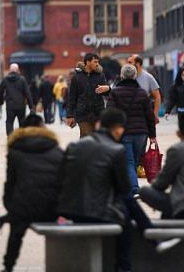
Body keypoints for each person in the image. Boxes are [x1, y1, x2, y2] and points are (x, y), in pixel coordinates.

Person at [57, 109, 172, 271]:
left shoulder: (74, 146)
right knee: (127, 207)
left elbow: (62, 178)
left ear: (98, 125)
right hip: (95, 213)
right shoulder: (116, 151)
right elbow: (124, 189)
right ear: (118, 129)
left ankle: (152, 237)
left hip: (69, 209)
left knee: (126, 203)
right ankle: (125, 263)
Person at [0, 114, 62, 272]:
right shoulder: (56, 149)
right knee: (25, 210)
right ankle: (3, 219)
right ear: (43, 128)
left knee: (17, 229)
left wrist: (10, 207)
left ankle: (8, 266)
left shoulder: (15, 150)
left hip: (23, 209)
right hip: (52, 209)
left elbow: (10, 184)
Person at [106, 64, 156, 197]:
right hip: (141, 133)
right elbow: (149, 115)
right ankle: (130, 186)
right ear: (135, 76)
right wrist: (152, 135)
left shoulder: (115, 92)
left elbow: (109, 113)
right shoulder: (142, 93)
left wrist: (109, 132)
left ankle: (133, 188)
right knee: (133, 161)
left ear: (122, 76)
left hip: (124, 132)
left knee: (128, 161)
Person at [65, 53, 111, 137]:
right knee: (86, 136)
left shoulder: (100, 75)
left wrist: (107, 88)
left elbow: (106, 91)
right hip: (83, 114)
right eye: (95, 62)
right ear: (88, 62)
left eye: (98, 62)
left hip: (98, 113)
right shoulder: (77, 77)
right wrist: (70, 115)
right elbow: (72, 97)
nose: (97, 64)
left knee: (98, 138)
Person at [0, 64, 34, 136]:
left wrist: (1, 101)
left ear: (10, 70)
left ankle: (11, 138)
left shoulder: (5, 79)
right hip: (21, 105)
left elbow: (0, 91)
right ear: (17, 70)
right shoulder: (22, 79)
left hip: (10, 105)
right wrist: (31, 106)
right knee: (22, 122)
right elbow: (27, 93)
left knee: (9, 122)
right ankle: (22, 138)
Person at [127, 54, 162, 123]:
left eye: (130, 62)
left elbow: (157, 96)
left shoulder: (149, 77)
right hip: (129, 116)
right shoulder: (126, 77)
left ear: (138, 64)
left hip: (144, 115)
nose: (127, 65)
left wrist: (155, 114)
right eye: (127, 62)